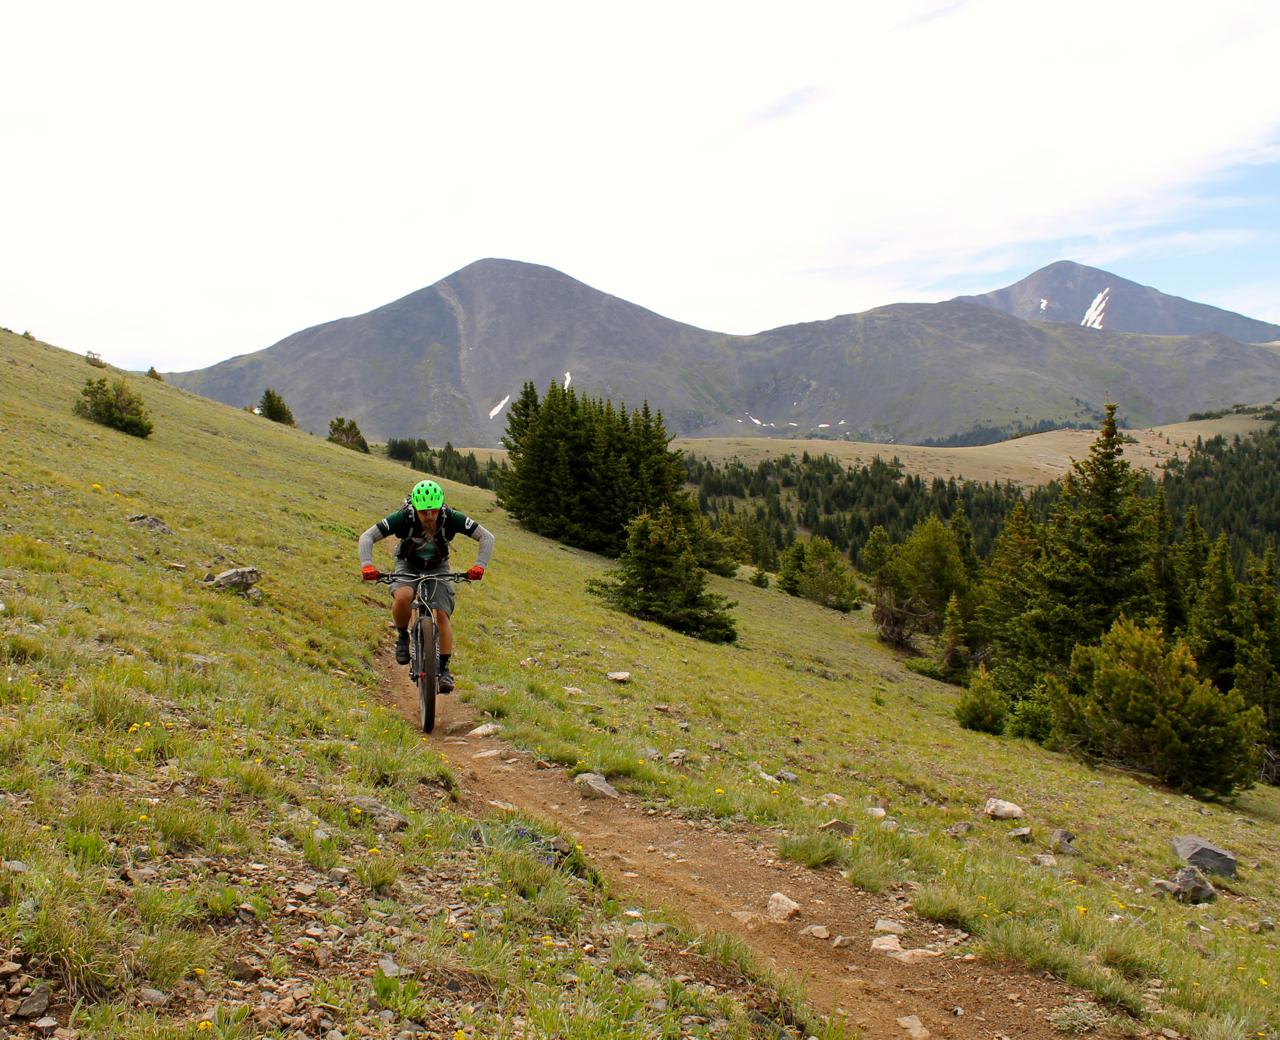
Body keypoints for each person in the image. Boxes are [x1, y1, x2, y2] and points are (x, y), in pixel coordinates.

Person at [358, 479, 494, 692]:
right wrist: (367, 565)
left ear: (440, 507)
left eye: (433, 511)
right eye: (424, 512)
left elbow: (486, 537)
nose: (429, 516)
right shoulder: (404, 517)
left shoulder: (451, 518)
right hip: (407, 564)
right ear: (415, 509)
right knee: (403, 596)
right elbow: (367, 536)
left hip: (438, 567)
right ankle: (403, 636)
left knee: (441, 615)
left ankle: (443, 669)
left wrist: (480, 566)